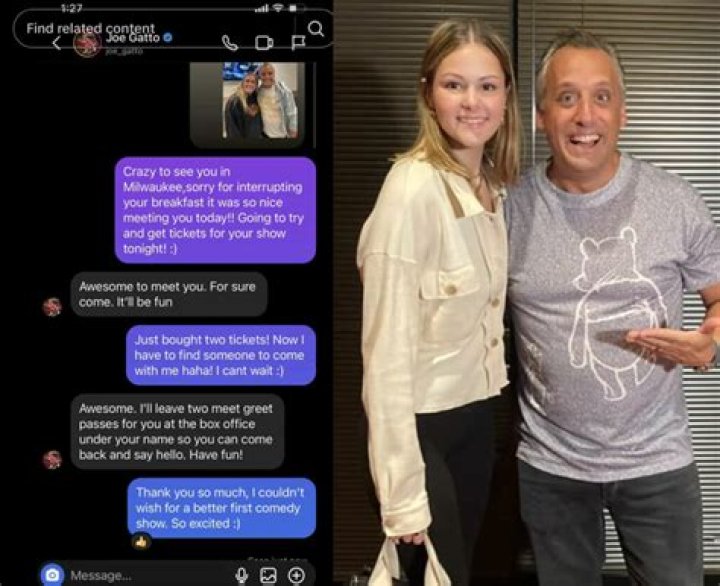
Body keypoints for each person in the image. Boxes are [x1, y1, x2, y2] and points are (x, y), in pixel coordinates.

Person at [504, 28, 720, 586]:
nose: (585, 116)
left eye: (601, 97)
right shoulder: (508, 211)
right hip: (550, 464)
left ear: (622, 113)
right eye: (567, 97)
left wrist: (711, 340)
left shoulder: (675, 202)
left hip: (658, 461)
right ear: (541, 115)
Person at [357, 18, 520, 585]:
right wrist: (402, 496)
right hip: (422, 430)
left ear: (506, 96)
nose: (473, 102)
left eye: (487, 86)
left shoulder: (491, 187)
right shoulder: (410, 190)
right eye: (455, 85)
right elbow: (384, 361)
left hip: (476, 420)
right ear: (429, 93)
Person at [256, 62, 298, 138]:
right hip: (265, 135)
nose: (267, 77)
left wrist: (293, 130)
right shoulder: (257, 92)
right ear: (259, 76)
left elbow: (292, 113)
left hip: (282, 135)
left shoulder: (284, 91)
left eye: (270, 73)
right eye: (263, 74)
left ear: (274, 74)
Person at [224, 72, 263, 139]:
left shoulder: (257, 99)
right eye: (247, 81)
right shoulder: (234, 101)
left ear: (256, 85)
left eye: (253, 82)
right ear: (242, 83)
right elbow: (232, 129)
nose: (250, 84)